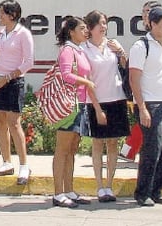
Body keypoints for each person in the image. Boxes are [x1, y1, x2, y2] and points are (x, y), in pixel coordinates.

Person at [129, 5, 162, 207]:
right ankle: (142, 193)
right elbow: (134, 79)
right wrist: (141, 107)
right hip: (149, 103)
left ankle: (157, 190)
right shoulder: (141, 46)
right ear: (152, 24)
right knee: (153, 147)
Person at [51, 16, 101, 208]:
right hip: (68, 106)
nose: (86, 31)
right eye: (82, 28)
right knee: (62, 149)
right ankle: (58, 193)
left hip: (80, 103)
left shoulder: (79, 50)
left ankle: (69, 189)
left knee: (72, 149)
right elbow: (66, 75)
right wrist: (86, 82)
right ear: (71, 32)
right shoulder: (67, 50)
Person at [81, 9, 130, 202]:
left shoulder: (112, 45)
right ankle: (99, 186)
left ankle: (109, 185)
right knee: (98, 143)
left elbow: (125, 68)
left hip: (116, 98)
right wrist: (98, 108)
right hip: (96, 101)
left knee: (113, 143)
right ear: (91, 27)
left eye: (105, 23)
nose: (104, 26)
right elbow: (86, 80)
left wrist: (122, 53)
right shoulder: (84, 49)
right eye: (100, 23)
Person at [0, 0, 34, 183]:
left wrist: (6, 78)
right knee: (0, 121)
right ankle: (6, 162)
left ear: (12, 15)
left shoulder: (24, 34)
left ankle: (24, 166)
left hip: (13, 83)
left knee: (14, 123)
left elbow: (28, 62)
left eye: (2, 13)